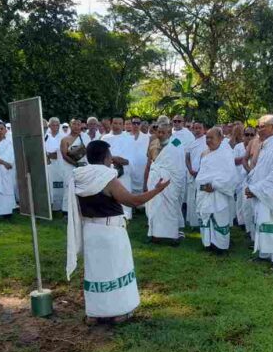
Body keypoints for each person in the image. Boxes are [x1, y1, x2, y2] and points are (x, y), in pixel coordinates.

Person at [66, 140, 170, 324]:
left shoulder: (78, 176)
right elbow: (133, 201)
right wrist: (157, 190)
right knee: (116, 270)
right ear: (107, 157)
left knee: (95, 272)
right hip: (110, 232)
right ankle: (119, 311)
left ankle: (94, 313)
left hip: (90, 230)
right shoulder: (107, 178)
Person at [245, 115, 273, 271]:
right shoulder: (267, 145)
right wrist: (253, 186)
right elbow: (260, 169)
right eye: (258, 126)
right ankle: (264, 254)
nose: (259, 130)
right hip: (262, 191)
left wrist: (255, 189)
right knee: (262, 222)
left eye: (263, 126)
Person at [145, 117, 186, 245]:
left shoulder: (176, 143)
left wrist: (166, 176)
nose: (161, 134)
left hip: (170, 183)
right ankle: (155, 235)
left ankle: (171, 236)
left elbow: (179, 164)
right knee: (155, 208)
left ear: (169, 132)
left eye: (164, 132)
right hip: (154, 181)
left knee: (169, 209)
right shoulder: (153, 143)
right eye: (159, 132)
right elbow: (151, 162)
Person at [196, 128, 237, 254]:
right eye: (206, 138)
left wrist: (214, 185)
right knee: (205, 217)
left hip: (219, 192)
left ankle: (220, 246)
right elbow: (201, 173)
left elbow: (230, 175)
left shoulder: (226, 153)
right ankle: (208, 243)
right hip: (204, 192)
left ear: (220, 139)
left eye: (211, 138)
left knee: (219, 218)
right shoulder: (204, 153)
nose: (208, 140)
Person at [101, 117, 135, 219]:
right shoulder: (104, 138)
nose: (117, 126)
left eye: (120, 123)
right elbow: (102, 157)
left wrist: (122, 160)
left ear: (123, 125)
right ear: (111, 124)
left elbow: (132, 158)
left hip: (124, 172)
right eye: (115, 123)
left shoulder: (129, 138)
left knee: (124, 196)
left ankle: (126, 217)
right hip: (108, 172)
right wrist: (111, 159)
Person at [60, 119, 88, 216]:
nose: (76, 126)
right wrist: (75, 164)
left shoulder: (85, 138)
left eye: (78, 124)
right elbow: (64, 155)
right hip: (69, 167)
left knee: (82, 188)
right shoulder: (65, 139)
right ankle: (66, 211)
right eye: (74, 124)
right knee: (69, 187)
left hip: (83, 167)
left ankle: (80, 209)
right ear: (70, 125)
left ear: (81, 126)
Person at [184, 122, 207, 228]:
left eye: (199, 128)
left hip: (204, 174)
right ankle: (193, 222)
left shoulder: (208, 140)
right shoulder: (191, 142)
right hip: (192, 174)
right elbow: (187, 158)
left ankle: (203, 221)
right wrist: (190, 170)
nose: (197, 130)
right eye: (195, 128)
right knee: (191, 199)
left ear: (203, 129)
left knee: (202, 198)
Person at [45, 117, 64, 211]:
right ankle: (51, 205)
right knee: (50, 184)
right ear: (49, 125)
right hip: (49, 164)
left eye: (57, 125)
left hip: (60, 164)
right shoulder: (46, 136)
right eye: (53, 124)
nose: (55, 126)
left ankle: (60, 206)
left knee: (60, 185)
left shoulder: (63, 136)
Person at [128, 117, 150, 195]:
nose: (136, 125)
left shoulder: (147, 137)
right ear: (131, 124)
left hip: (142, 170)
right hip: (129, 170)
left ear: (140, 124)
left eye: (138, 123)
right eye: (134, 123)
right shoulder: (125, 137)